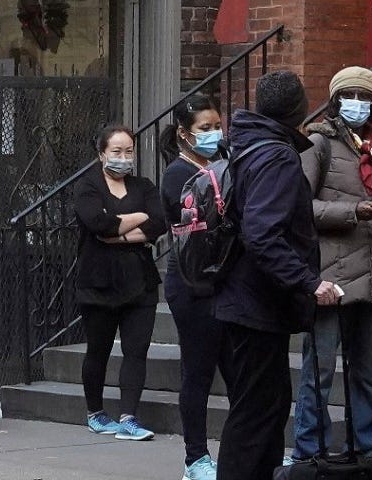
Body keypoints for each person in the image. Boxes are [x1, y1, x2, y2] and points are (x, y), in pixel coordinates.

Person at [214, 71, 340, 480]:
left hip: (244, 300)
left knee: (263, 407)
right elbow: (262, 233)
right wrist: (308, 281)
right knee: (256, 413)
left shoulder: (249, 146)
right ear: (299, 110)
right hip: (254, 305)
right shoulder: (277, 156)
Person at [289, 66, 372, 466]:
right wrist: (352, 211)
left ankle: (367, 450)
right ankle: (309, 452)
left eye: (365, 96)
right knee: (318, 371)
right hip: (332, 276)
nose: (357, 103)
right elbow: (300, 206)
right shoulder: (317, 143)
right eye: (349, 95)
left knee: (367, 372)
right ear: (336, 100)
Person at [73, 125, 166, 442]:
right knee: (97, 350)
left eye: (129, 151)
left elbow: (159, 222)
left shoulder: (144, 186)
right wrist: (139, 218)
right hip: (98, 282)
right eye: (116, 151)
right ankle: (96, 413)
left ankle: (130, 417)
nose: (124, 158)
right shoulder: (88, 186)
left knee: (136, 351)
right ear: (101, 154)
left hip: (140, 281)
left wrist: (120, 232)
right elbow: (98, 224)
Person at [157, 94, 228, 478]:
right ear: (185, 134)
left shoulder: (220, 164)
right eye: (206, 128)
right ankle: (196, 458)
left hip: (221, 281)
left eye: (217, 125)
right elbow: (200, 225)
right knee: (198, 371)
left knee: (236, 370)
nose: (215, 133)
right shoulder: (178, 175)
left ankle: (247, 449)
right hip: (192, 282)